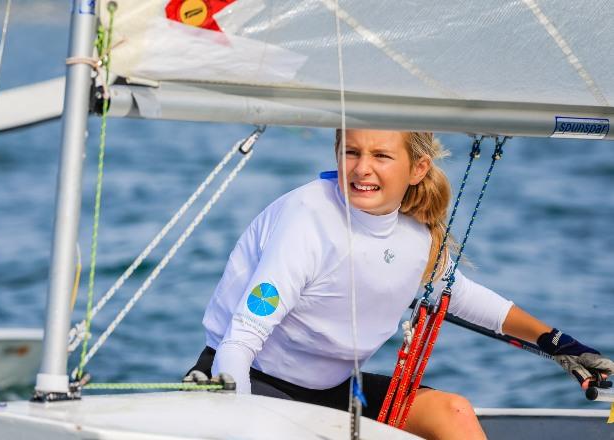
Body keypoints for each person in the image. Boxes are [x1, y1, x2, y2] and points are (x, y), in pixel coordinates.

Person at [192, 129, 614, 440]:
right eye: (351, 152)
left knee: (454, 414)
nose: (362, 168)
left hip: (333, 391)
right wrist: (238, 415)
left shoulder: (414, 237)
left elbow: (459, 295)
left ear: (418, 169)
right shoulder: (308, 218)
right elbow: (240, 340)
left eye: (381, 155)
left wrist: (555, 341)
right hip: (245, 377)